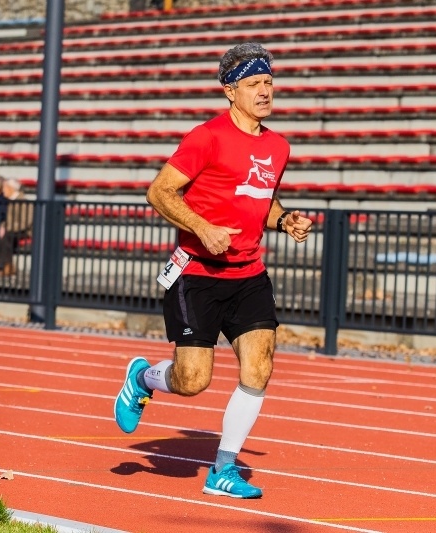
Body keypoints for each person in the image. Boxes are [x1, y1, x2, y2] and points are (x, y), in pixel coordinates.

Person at [113, 42, 313, 499]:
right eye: (253, 84)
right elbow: (160, 193)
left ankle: (222, 470)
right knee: (193, 381)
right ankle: (142, 378)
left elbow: (259, 197)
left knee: (259, 367)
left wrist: (283, 220)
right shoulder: (206, 137)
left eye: (268, 82)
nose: (264, 92)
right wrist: (203, 229)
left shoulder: (279, 146)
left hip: (248, 274)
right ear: (229, 91)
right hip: (196, 275)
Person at [0, 177, 33, 276]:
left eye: (4, 187)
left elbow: (26, 221)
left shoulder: (23, 201)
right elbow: (6, 219)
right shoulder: (9, 201)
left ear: (10, 188)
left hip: (24, 230)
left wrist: (7, 228)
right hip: (13, 229)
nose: (2, 190)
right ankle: (0, 264)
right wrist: (1, 227)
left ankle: (8, 266)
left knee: (7, 236)